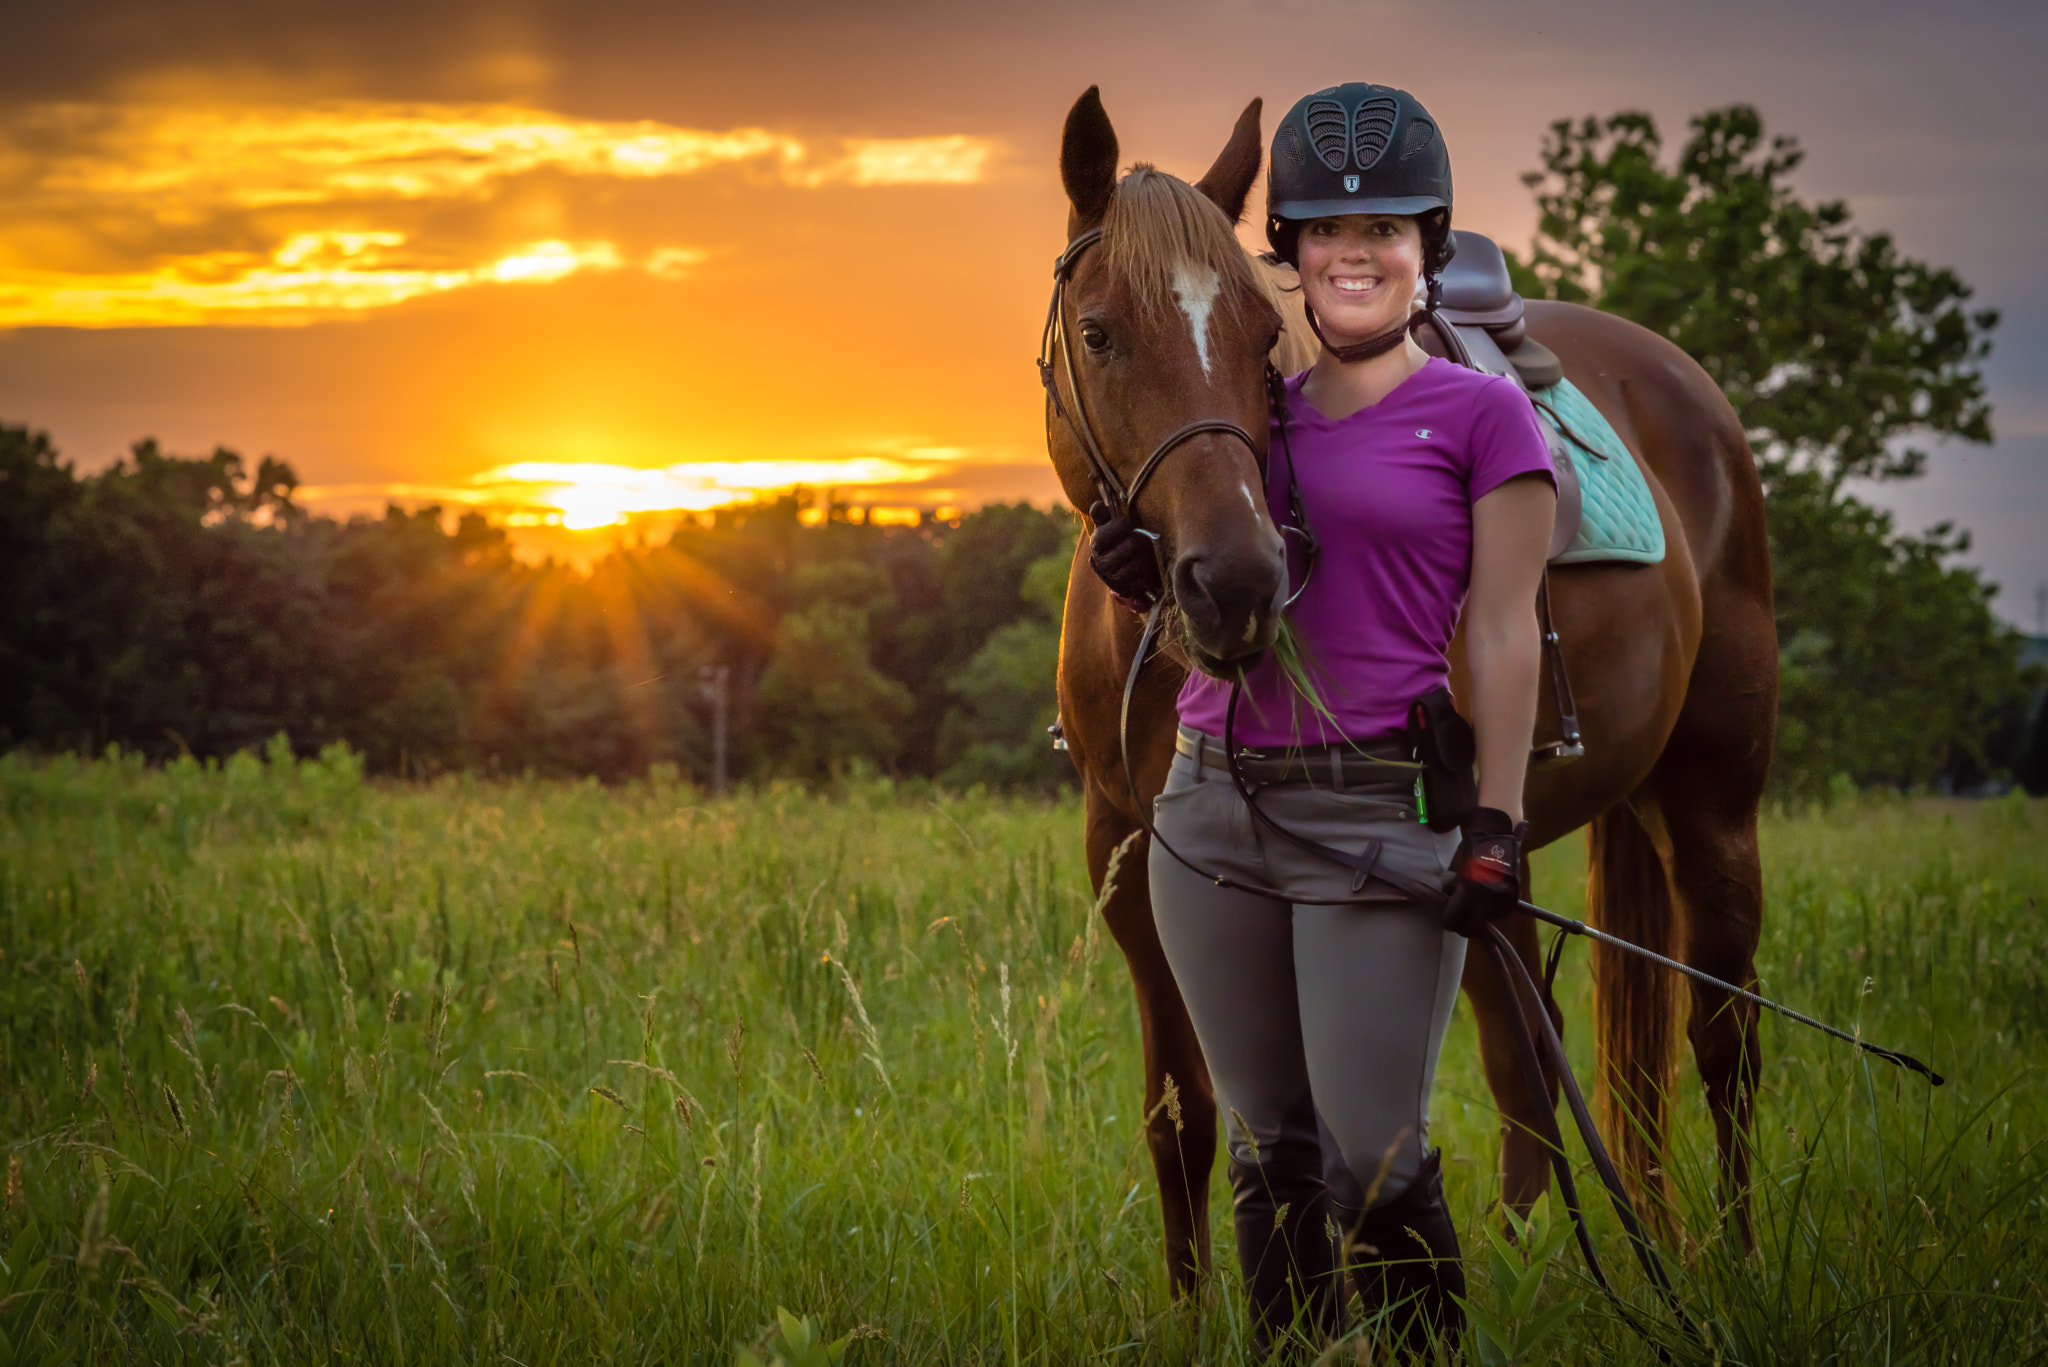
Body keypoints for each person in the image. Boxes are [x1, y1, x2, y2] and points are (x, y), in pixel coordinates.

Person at [1111, 83, 1557, 1357]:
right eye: (1319, 232)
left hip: (1372, 814)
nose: (1351, 253)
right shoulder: (1251, 411)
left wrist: (1496, 822)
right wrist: (1131, 552)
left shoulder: (1482, 415)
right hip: (1207, 806)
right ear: (1289, 254)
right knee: (1270, 1152)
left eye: (1385, 232)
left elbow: (1501, 629)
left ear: (1431, 247)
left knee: (1371, 1156)